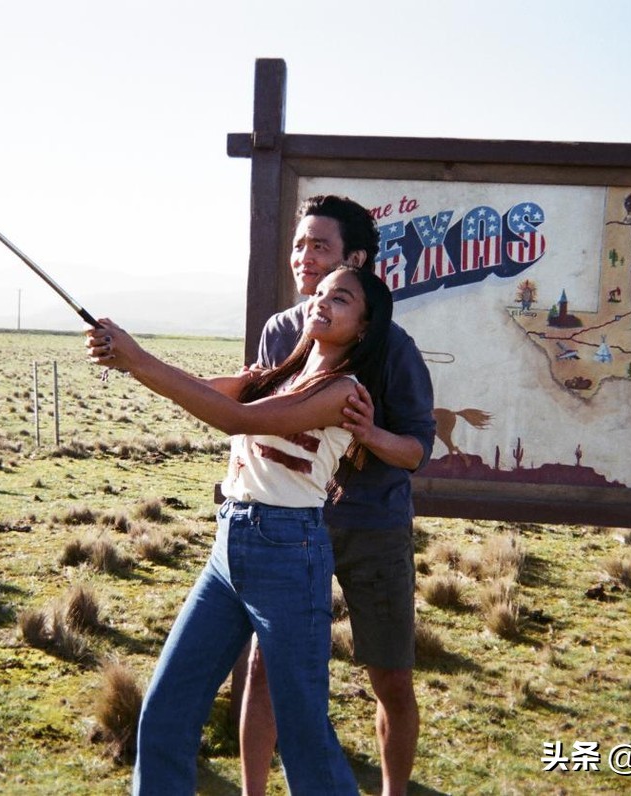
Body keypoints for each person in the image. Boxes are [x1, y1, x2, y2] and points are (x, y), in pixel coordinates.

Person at [88, 265, 394, 796]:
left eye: (341, 299)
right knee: (165, 710)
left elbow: (233, 417)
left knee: (304, 735)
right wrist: (129, 363)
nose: (322, 301)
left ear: (363, 327)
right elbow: (202, 391)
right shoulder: (279, 373)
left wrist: (136, 356)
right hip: (229, 549)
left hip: (289, 554)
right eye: (320, 293)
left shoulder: (343, 391)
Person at [240, 195, 436, 796]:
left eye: (319, 245)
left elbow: (416, 451)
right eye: (299, 244)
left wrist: (367, 432)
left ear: (356, 259)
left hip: (373, 528)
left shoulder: (393, 348)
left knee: (392, 682)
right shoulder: (280, 333)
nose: (303, 257)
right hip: (291, 527)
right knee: (263, 672)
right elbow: (247, 410)